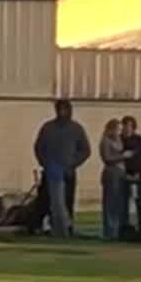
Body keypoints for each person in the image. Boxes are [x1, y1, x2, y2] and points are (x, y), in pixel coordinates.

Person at [32, 100, 90, 238]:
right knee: (45, 200)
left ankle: (67, 228)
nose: (62, 113)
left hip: (68, 172)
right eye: (60, 110)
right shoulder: (48, 128)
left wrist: (73, 162)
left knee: (67, 200)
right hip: (50, 170)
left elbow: (85, 150)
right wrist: (44, 162)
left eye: (65, 110)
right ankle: (43, 226)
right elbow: (39, 147)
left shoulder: (76, 129)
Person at [98, 118, 130, 241]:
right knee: (110, 202)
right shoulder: (105, 141)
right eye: (117, 129)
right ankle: (110, 231)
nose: (119, 132)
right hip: (112, 172)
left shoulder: (120, 140)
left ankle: (120, 229)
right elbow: (107, 158)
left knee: (119, 201)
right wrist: (123, 156)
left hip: (121, 172)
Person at [120, 116, 141, 237]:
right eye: (125, 126)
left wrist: (139, 172)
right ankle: (124, 229)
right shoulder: (119, 140)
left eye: (129, 126)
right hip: (123, 177)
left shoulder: (138, 140)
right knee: (123, 204)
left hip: (137, 177)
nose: (126, 129)